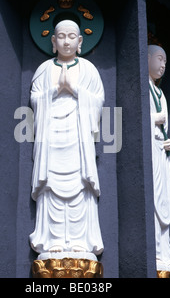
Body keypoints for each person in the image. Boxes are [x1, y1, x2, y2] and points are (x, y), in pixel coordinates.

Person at [29, 19, 104, 258]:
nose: (66, 41)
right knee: (51, 186)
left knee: (81, 186)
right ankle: (53, 240)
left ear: (80, 41)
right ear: (53, 41)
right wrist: (54, 90)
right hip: (51, 136)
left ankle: (81, 240)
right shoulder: (44, 69)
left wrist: (74, 89)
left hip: (78, 136)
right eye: (61, 36)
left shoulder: (88, 70)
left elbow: (98, 101)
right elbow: (35, 100)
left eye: (72, 36)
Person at [148, 45, 170, 274]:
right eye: (159, 59)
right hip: (150, 153)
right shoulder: (143, 89)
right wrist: (153, 119)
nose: (163, 65)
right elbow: (134, 118)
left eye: (166, 61)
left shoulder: (161, 94)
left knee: (164, 203)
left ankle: (166, 255)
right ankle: (155, 253)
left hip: (161, 152)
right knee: (153, 202)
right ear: (147, 58)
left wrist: (167, 142)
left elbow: (165, 128)